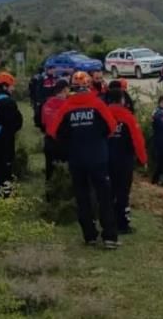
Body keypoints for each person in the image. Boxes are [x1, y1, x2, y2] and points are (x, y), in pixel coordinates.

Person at [46, 71, 120, 249]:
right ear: (88, 86)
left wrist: (69, 144)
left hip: (76, 160)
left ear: (72, 87)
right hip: (98, 158)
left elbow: (53, 132)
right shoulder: (97, 104)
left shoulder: (66, 107)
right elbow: (111, 127)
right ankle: (109, 237)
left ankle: (89, 236)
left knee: (82, 198)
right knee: (104, 197)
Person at [107, 88, 148, 233]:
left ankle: (108, 223)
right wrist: (143, 159)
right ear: (121, 100)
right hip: (124, 160)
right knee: (123, 193)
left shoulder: (102, 114)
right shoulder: (127, 116)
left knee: (109, 192)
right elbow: (138, 140)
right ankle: (122, 224)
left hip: (106, 160)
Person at [41, 79, 71, 180]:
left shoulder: (47, 103)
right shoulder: (67, 105)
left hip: (49, 140)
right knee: (65, 169)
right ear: (64, 90)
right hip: (63, 141)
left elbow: (43, 122)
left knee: (50, 169)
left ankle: (49, 191)